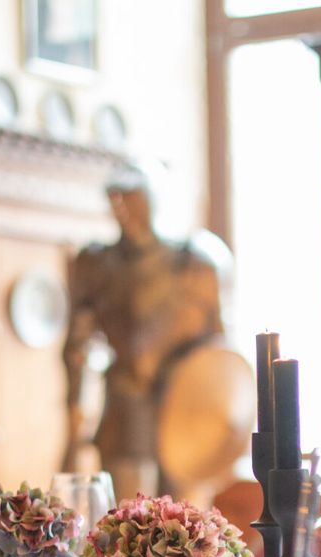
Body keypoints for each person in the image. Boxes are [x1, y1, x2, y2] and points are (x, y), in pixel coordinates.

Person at [63, 163, 228, 502]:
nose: (125, 209)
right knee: (129, 521)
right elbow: (77, 342)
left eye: (133, 198)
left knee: (190, 529)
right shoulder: (98, 264)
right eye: (117, 200)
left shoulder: (193, 262)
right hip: (127, 405)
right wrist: (76, 402)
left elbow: (216, 350)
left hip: (185, 403)